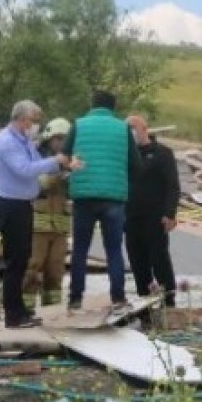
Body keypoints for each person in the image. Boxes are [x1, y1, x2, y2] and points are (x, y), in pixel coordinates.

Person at [0, 102, 78, 327]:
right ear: (22, 119)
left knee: (21, 261)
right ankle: (14, 315)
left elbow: (37, 164)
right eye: (33, 120)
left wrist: (65, 166)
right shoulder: (8, 142)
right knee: (16, 264)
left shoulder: (23, 141)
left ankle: (21, 312)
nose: (34, 125)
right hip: (10, 205)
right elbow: (25, 170)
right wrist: (56, 162)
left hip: (22, 205)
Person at [61, 90, 141, 311]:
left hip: (83, 197)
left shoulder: (78, 125)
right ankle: (118, 297)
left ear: (92, 104)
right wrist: (123, 185)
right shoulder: (122, 129)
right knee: (114, 249)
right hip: (114, 199)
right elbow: (136, 165)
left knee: (80, 249)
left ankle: (75, 298)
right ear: (113, 107)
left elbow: (63, 156)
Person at [123, 115, 179, 307]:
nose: (130, 133)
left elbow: (172, 185)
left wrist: (170, 213)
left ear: (144, 129)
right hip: (131, 216)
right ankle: (144, 300)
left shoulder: (162, 153)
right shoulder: (125, 155)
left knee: (159, 258)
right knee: (137, 260)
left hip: (155, 216)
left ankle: (169, 298)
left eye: (133, 129)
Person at [24, 118, 73, 309]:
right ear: (49, 138)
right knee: (32, 267)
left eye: (65, 139)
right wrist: (53, 178)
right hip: (38, 225)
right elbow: (32, 183)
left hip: (60, 226)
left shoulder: (70, 160)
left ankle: (52, 311)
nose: (61, 143)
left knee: (56, 270)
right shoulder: (36, 158)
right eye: (58, 138)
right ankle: (25, 309)